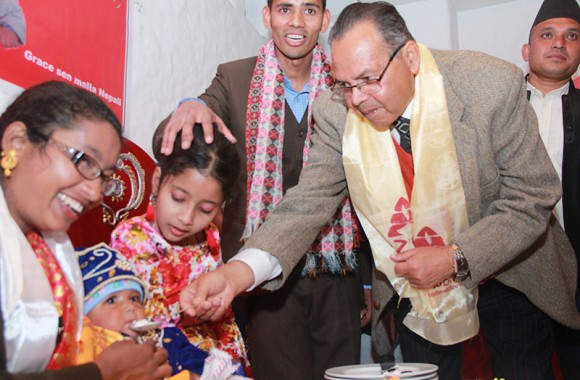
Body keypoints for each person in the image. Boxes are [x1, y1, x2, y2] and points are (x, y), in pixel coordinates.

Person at [179, 2, 580, 380]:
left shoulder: (489, 86)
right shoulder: (337, 111)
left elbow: (533, 195)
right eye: (344, 84)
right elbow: (306, 203)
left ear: (409, 57)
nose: (358, 99)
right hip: (417, 287)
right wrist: (237, 273)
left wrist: (456, 257)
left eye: (369, 80)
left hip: (508, 273)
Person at [160, 1, 371, 378]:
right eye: (285, 8)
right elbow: (191, 125)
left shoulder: (346, 83)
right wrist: (188, 106)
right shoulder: (234, 78)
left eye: (309, 10)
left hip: (338, 272)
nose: (295, 21)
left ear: (324, 20)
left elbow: (368, 186)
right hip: (262, 276)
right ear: (267, 16)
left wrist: (368, 282)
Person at [0, 81, 171, 379]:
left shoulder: (53, 246)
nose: (95, 193)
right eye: (83, 161)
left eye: (104, 177)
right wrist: (102, 373)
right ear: (16, 141)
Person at [110, 123, 248, 373]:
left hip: (215, 357)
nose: (186, 218)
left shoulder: (210, 237)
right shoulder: (132, 238)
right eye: (179, 199)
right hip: (163, 359)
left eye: (206, 209)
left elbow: (223, 321)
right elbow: (134, 321)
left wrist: (215, 308)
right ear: (157, 180)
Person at [77, 242, 248, 380]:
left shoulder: (166, 337)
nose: (130, 307)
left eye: (134, 298)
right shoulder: (87, 353)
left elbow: (201, 365)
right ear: (84, 317)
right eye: (111, 300)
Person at [521, 0, 580, 378]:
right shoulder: (496, 108)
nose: (559, 43)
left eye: (571, 36)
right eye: (548, 34)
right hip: (515, 274)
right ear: (527, 51)